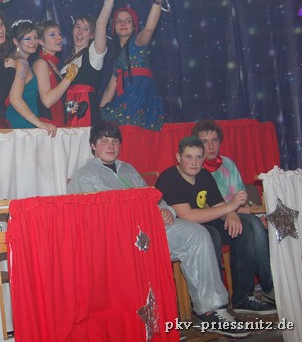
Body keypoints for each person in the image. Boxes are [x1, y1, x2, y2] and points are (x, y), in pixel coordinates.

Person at [67, 121, 251, 338]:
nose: (110, 146)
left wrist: (167, 211)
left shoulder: (128, 169)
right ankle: (154, 322)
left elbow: (154, 198)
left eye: (115, 141)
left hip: (150, 229)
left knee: (198, 234)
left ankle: (211, 311)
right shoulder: (85, 176)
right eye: (103, 141)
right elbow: (89, 221)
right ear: (92, 145)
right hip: (118, 240)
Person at [155, 136, 277, 315]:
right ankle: (216, 307)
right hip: (184, 229)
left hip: (206, 221)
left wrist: (231, 214)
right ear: (178, 157)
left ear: (204, 158)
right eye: (189, 157)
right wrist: (230, 207)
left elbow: (219, 205)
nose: (194, 162)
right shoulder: (169, 178)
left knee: (247, 226)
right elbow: (188, 216)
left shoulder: (204, 175)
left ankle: (243, 297)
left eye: (199, 157)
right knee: (211, 234)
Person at [191, 118, 275, 303]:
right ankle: (269, 286)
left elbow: (242, 197)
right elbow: (205, 206)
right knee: (252, 224)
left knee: (258, 224)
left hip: (236, 215)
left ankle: (254, 291)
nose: (211, 146)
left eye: (214, 140)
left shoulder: (228, 164)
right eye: (205, 141)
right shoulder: (195, 167)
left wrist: (258, 213)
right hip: (211, 220)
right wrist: (243, 213)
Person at [100, 0, 170, 131]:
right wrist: (100, 117)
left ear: (134, 27)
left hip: (141, 98)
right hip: (126, 102)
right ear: (114, 28)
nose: (123, 23)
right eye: (119, 21)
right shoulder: (118, 58)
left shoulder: (138, 42)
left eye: (127, 21)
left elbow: (150, 28)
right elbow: (110, 89)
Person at [62, 0, 125, 127]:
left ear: (92, 35)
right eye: (77, 27)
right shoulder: (65, 64)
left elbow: (101, 24)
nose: (80, 32)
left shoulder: (94, 55)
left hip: (87, 117)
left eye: (86, 29)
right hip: (69, 116)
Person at [6, 20, 56, 135]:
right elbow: (15, 99)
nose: (33, 42)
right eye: (27, 38)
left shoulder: (19, 61)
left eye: (35, 38)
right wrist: (40, 123)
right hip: (21, 123)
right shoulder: (22, 63)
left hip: (24, 121)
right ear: (16, 41)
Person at [32, 20, 77, 127]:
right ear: (41, 41)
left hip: (57, 126)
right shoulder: (41, 63)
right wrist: (69, 77)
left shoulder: (53, 65)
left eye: (59, 34)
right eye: (52, 34)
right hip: (47, 127)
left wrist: (73, 107)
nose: (59, 38)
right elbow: (47, 101)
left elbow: (59, 101)